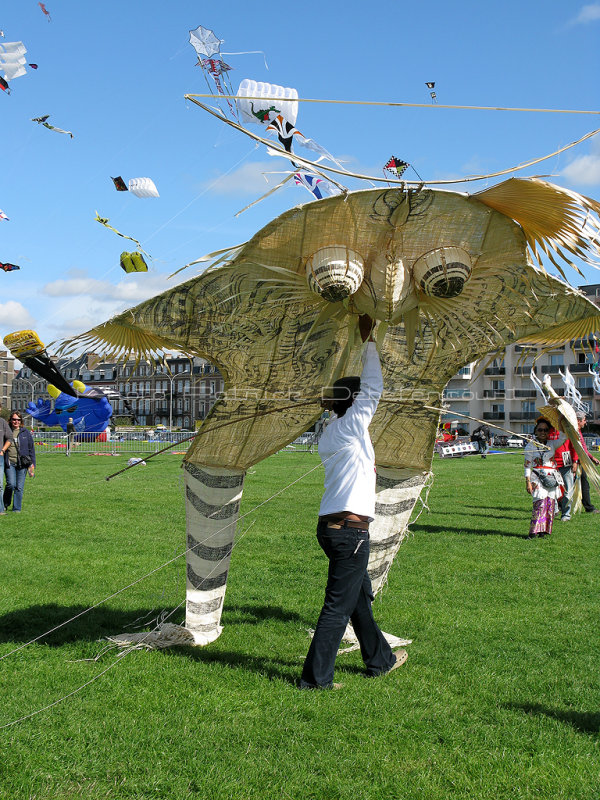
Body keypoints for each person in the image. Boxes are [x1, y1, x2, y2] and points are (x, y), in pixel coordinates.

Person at [300, 316, 407, 690]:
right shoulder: (348, 427)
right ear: (354, 402)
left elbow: (361, 399)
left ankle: (380, 660)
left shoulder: (333, 431)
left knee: (358, 597)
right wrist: (369, 341)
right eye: (359, 399)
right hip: (350, 532)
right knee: (337, 607)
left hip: (333, 529)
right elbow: (374, 389)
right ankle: (315, 681)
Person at [524, 417, 566, 538]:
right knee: (539, 502)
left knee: (550, 503)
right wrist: (528, 482)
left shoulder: (552, 444)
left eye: (546, 430)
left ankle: (543, 531)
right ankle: (533, 532)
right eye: (540, 430)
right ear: (536, 431)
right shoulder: (530, 447)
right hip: (537, 477)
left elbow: (563, 437)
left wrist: (560, 420)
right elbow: (527, 466)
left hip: (552, 477)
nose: (543, 432)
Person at [3, 411, 35, 513]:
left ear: (21, 421)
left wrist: (32, 464)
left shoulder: (25, 432)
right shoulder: (7, 431)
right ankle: (5, 503)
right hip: (10, 462)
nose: (16, 421)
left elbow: (31, 449)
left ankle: (16, 508)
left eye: (18, 420)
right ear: (10, 420)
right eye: (14, 419)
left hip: (22, 463)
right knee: (11, 484)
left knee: (19, 487)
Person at [575, 410, 600, 514]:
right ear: (578, 421)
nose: (585, 422)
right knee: (577, 485)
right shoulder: (574, 432)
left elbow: (583, 448)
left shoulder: (578, 431)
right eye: (584, 420)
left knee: (584, 484)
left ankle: (588, 506)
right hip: (575, 462)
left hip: (580, 461)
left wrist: (591, 458)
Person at [555, 436, 578, 521]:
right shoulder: (548, 429)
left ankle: (566, 514)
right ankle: (554, 510)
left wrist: (575, 461)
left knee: (568, 491)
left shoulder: (567, 431)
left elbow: (574, 446)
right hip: (551, 464)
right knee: (551, 490)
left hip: (566, 465)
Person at [0, 406, 14, 515]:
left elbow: (10, 437)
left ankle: (0, 509)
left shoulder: (2, 422)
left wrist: (3, 450)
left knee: (0, 484)